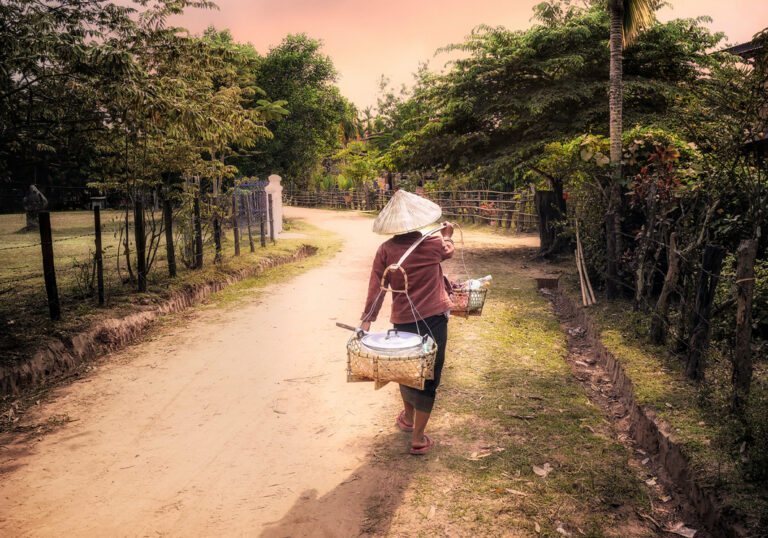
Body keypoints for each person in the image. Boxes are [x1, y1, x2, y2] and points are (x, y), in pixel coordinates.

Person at [359, 189, 454, 454]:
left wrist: (367, 320)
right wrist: (446, 236)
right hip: (434, 319)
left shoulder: (385, 250)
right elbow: (448, 250)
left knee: (406, 370)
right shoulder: (434, 244)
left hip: (402, 322)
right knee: (429, 376)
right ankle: (418, 437)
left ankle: (409, 417)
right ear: (419, 219)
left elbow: (376, 288)